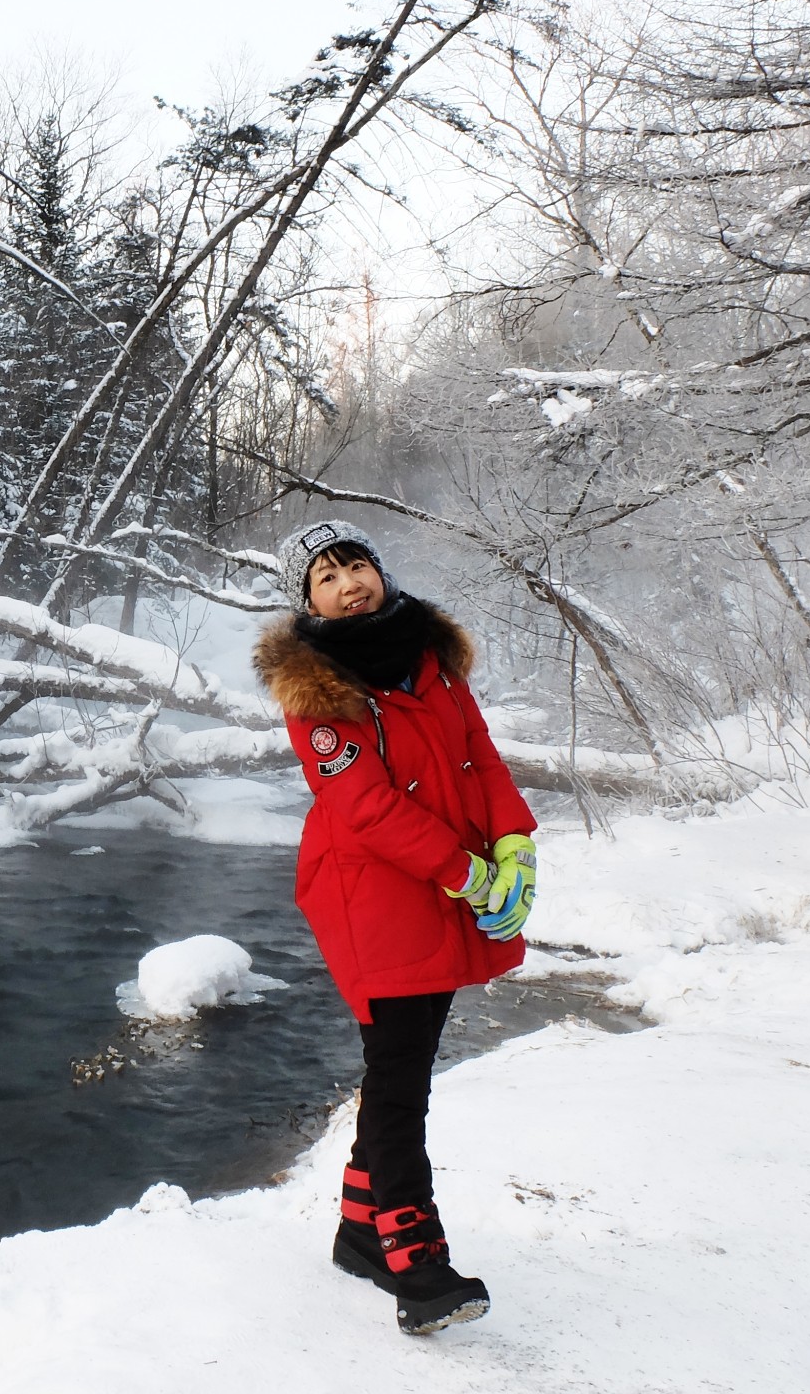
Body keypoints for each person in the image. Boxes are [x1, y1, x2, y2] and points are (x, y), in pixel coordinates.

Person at [253, 519, 537, 1336]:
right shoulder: (317, 688)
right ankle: (420, 1270)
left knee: (400, 1066)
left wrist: (512, 841)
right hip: (371, 893)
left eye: (357, 565)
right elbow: (366, 807)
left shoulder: (430, 659)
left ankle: (356, 1234)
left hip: (446, 884)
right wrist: (469, 872)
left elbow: (479, 755)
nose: (348, 584)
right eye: (326, 577)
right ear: (307, 600)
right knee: (400, 1077)